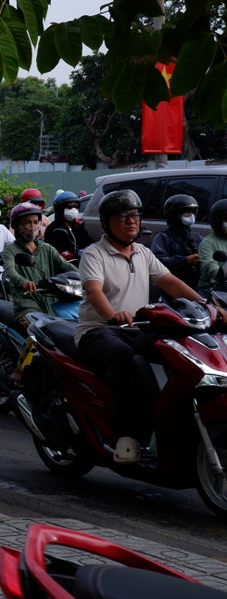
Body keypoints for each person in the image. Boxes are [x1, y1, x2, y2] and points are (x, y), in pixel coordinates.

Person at [74, 189, 206, 464]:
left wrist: (206, 305)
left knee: (182, 350)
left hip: (137, 329)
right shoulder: (94, 254)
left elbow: (169, 282)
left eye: (134, 215)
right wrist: (112, 314)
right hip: (99, 330)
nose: (131, 221)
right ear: (107, 221)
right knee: (124, 358)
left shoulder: (143, 252)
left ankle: (179, 419)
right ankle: (126, 435)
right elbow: (94, 290)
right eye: (123, 216)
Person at [3, 202, 81, 383]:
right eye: (27, 223)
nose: (32, 226)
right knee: (38, 330)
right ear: (17, 226)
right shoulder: (11, 250)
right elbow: (10, 270)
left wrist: (89, 278)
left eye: (35, 222)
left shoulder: (47, 249)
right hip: (26, 304)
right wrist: (23, 282)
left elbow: (67, 267)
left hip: (53, 303)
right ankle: (19, 371)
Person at [150, 194, 200, 284]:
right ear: (174, 215)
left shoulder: (196, 237)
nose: (191, 216)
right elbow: (158, 263)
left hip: (195, 284)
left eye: (193, 212)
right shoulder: (163, 237)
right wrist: (186, 260)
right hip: (172, 285)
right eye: (187, 212)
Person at [45, 190, 92, 258]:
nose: (73, 209)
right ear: (59, 208)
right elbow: (52, 252)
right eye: (69, 206)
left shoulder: (78, 227)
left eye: (76, 206)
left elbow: (88, 243)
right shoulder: (53, 229)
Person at [198, 199, 227, 293]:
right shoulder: (208, 242)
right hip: (211, 290)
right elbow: (211, 266)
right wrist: (221, 273)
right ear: (217, 222)